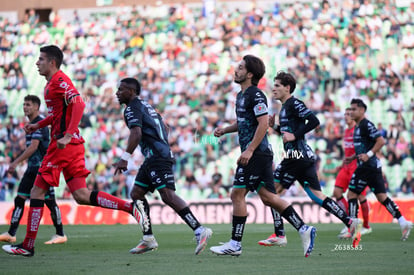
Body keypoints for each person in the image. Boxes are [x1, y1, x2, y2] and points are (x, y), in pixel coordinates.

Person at [2, 45, 148, 257]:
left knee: (36, 192)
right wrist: (39, 125)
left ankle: (27, 245)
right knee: (81, 195)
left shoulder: (59, 81)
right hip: (73, 146)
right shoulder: (53, 84)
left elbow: (79, 103)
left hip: (63, 145)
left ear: (52, 62)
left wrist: (67, 134)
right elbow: (60, 113)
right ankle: (130, 208)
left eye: (41, 59)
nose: (37, 62)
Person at [209, 55, 316, 258]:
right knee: (268, 197)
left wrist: (249, 150)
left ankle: (235, 244)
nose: (236, 70)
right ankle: (304, 229)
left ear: (250, 74)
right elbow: (244, 123)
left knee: (237, 194)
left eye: (240, 68)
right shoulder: (241, 96)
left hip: (256, 153)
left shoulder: (256, 95)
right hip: (259, 153)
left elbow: (262, 123)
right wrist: (225, 130)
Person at [257, 72, 361, 248]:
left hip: (296, 156)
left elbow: (314, 121)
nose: (273, 88)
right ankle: (349, 221)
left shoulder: (294, 103)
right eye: (273, 85)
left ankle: (280, 234)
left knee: (271, 193)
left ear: (287, 88)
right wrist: (275, 127)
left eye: (277, 85)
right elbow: (288, 134)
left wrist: (294, 135)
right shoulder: (285, 107)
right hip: (303, 157)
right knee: (316, 196)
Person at [112, 77, 212, 255]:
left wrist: (125, 158)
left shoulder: (132, 108)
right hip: (155, 156)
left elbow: (136, 133)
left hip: (157, 157)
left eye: (121, 89)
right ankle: (148, 238)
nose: (117, 93)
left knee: (167, 195)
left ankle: (199, 229)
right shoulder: (147, 106)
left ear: (132, 91)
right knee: (136, 193)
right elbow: (165, 127)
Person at [0, 95, 68, 245]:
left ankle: (60, 233)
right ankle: (11, 233)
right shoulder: (32, 123)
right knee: (20, 198)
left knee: (49, 201)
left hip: (43, 168)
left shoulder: (40, 123)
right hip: (33, 168)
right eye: (24, 104)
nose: (25, 107)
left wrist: (15, 162)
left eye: (28, 104)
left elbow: (34, 147)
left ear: (37, 107)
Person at [347, 98, 412, 241]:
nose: (351, 112)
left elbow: (381, 141)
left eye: (354, 109)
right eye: (350, 109)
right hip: (372, 167)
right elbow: (363, 148)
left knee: (351, 194)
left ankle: (352, 224)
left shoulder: (366, 125)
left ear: (362, 110)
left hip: (367, 167)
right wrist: (353, 157)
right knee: (382, 197)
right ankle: (403, 222)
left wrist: (368, 155)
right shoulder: (358, 126)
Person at [332, 108, 371, 239]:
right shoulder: (347, 131)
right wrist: (342, 164)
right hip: (346, 167)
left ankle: (366, 226)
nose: (346, 117)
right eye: (345, 114)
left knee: (359, 197)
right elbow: (347, 152)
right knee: (337, 192)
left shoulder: (357, 130)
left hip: (357, 167)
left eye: (348, 114)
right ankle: (350, 221)